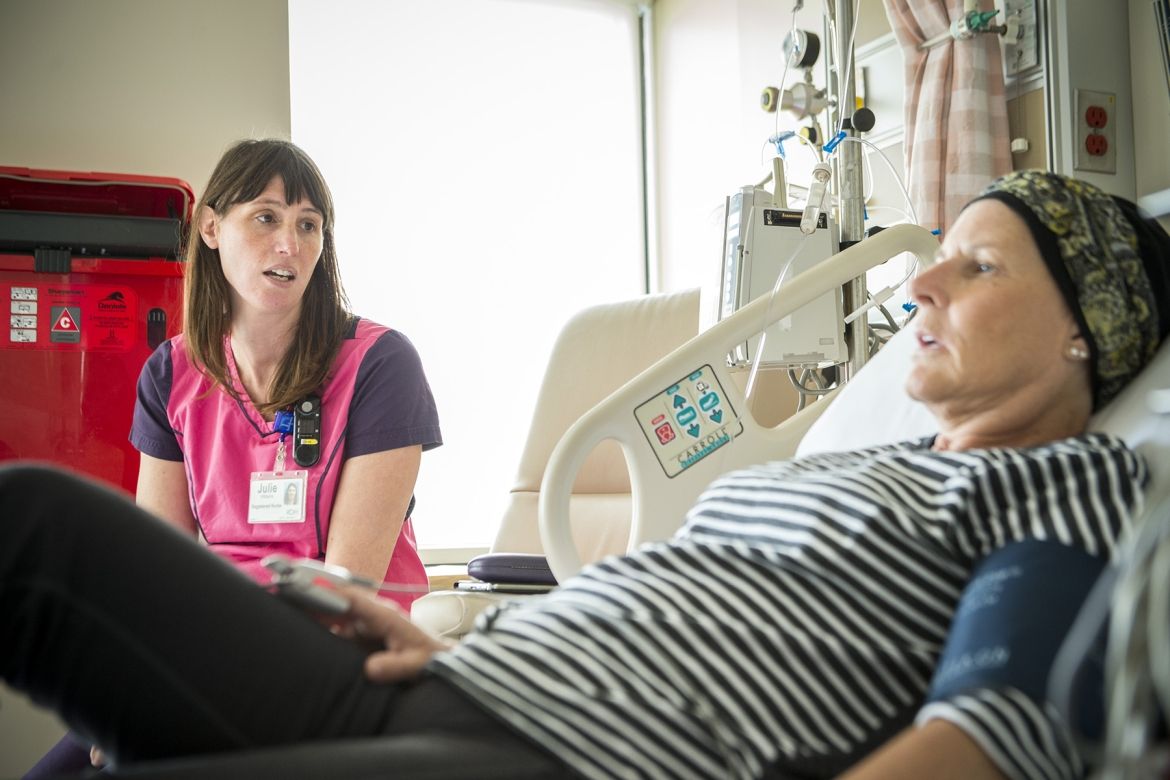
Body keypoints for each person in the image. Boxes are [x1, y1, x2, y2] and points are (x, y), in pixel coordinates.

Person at [2, 171, 1168, 780]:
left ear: (1087, 325)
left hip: (582, 755)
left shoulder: (1070, 488)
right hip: (460, 679)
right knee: (36, 527)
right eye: (937, 258)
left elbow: (991, 734)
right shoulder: (861, 466)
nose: (922, 284)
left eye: (979, 266)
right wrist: (462, 644)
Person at [18, 138, 443, 778]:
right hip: (201, 642)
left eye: (308, 225)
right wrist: (134, 683)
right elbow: (158, 573)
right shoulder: (172, 372)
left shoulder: (381, 364)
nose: (289, 244)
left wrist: (163, 698)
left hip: (333, 652)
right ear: (212, 228)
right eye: (266, 217)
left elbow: (345, 594)